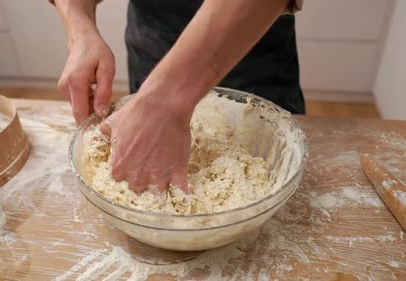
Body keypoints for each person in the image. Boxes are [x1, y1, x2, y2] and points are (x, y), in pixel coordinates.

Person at [51, 0, 304, 193]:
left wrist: (164, 101)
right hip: (152, 42)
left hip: (248, 47)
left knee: (276, 174)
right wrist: (79, 28)